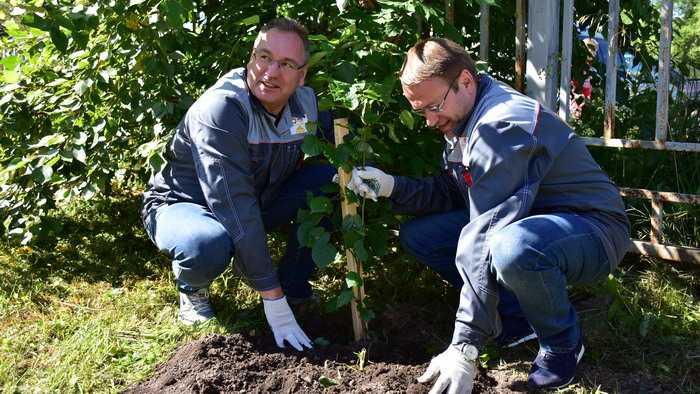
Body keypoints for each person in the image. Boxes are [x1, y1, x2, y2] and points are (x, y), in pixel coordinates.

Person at [347, 38, 630, 392]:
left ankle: (562, 342)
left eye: (434, 107)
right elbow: (456, 192)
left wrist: (464, 346)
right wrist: (393, 187)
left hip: (591, 229)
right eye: (422, 112)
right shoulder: (462, 117)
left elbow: (484, 231)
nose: (430, 121)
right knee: (423, 236)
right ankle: (519, 318)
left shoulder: (500, 125)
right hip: (530, 222)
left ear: (466, 81)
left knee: (512, 247)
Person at [141, 18, 336, 351]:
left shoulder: (306, 104)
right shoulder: (222, 109)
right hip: (188, 204)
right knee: (206, 243)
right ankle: (193, 288)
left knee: (331, 183)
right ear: (251, 57)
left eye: (287, 64)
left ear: (302, 75)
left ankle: (293, 284)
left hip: (258, 200)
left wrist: (361, 174)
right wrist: (272, 301)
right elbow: (233, 202)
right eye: (264, 57)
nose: (271, 72)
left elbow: (334, 146)